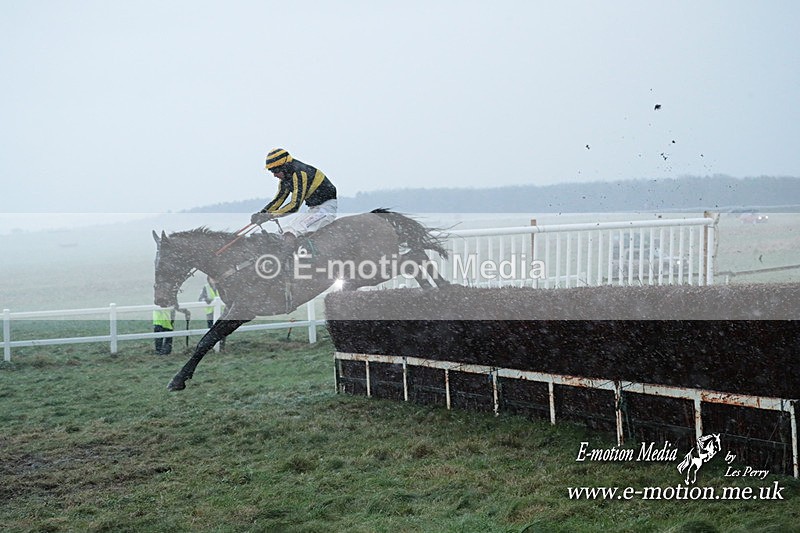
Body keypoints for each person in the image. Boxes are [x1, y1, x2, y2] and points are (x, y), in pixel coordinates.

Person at [250, 148, 338, 258]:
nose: (274, 175)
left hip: (326, 209)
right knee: (282, 233)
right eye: (271, 171)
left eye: (275, 171)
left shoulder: (300, 173)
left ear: (284, 166)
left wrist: (270, 215)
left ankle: (283, 264)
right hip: (313, 210)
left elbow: (294, 205)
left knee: (291, 231)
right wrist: (262, 213)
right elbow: (279, 200)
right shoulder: (286, 178)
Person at [198, 275, 225, 350]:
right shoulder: (206, 287)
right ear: (208, 279)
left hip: (222, 312)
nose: (213, 279)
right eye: (211, 278)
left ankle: (221, 346)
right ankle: (212, 347)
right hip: (210, 313)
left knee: (222, 329)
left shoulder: (222, 286)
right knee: (211, 330)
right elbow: (200, 299)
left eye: (214, 277)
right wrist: (206, 299)